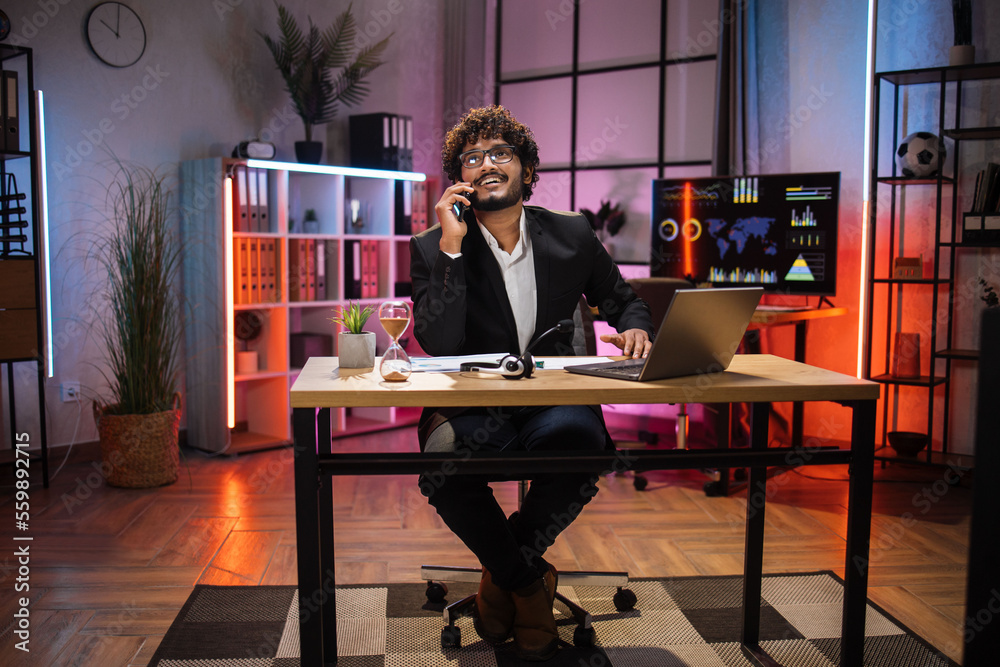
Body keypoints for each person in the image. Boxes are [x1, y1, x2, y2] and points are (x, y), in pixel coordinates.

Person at [409, 105, 653, 661]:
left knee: (581, 447)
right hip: (470, 401)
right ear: (459, 178)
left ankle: (502, 579)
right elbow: (439, 343)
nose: (487, 164)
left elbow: (625, 302)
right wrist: (451, 247)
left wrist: (635, 330)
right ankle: (527, 586)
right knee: (444, 469)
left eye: (501, 153)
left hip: (551, 395)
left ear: (525, 167)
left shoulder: (570, 234)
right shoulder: (432, 246)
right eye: (472, 158)